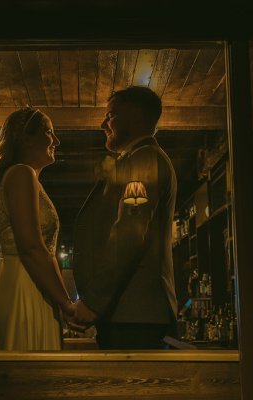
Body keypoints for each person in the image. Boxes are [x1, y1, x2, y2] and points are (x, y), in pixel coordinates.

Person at [72, 86, 178, 349]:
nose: (103, 124)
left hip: (134, 313)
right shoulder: (138, 159)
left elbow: (130, 233)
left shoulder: (143, 160)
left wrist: (94, 300)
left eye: (111, 116)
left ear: (136, 116)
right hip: (128, 311)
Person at [0, 107, 78, 351]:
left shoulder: (25, 177)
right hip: (23, 285)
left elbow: (44, 250)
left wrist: (60, 298)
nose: (56, 140)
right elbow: (31, 247)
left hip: (29, 281)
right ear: (26, 137)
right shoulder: (21, 174)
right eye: (49, 132)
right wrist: (67, 304)